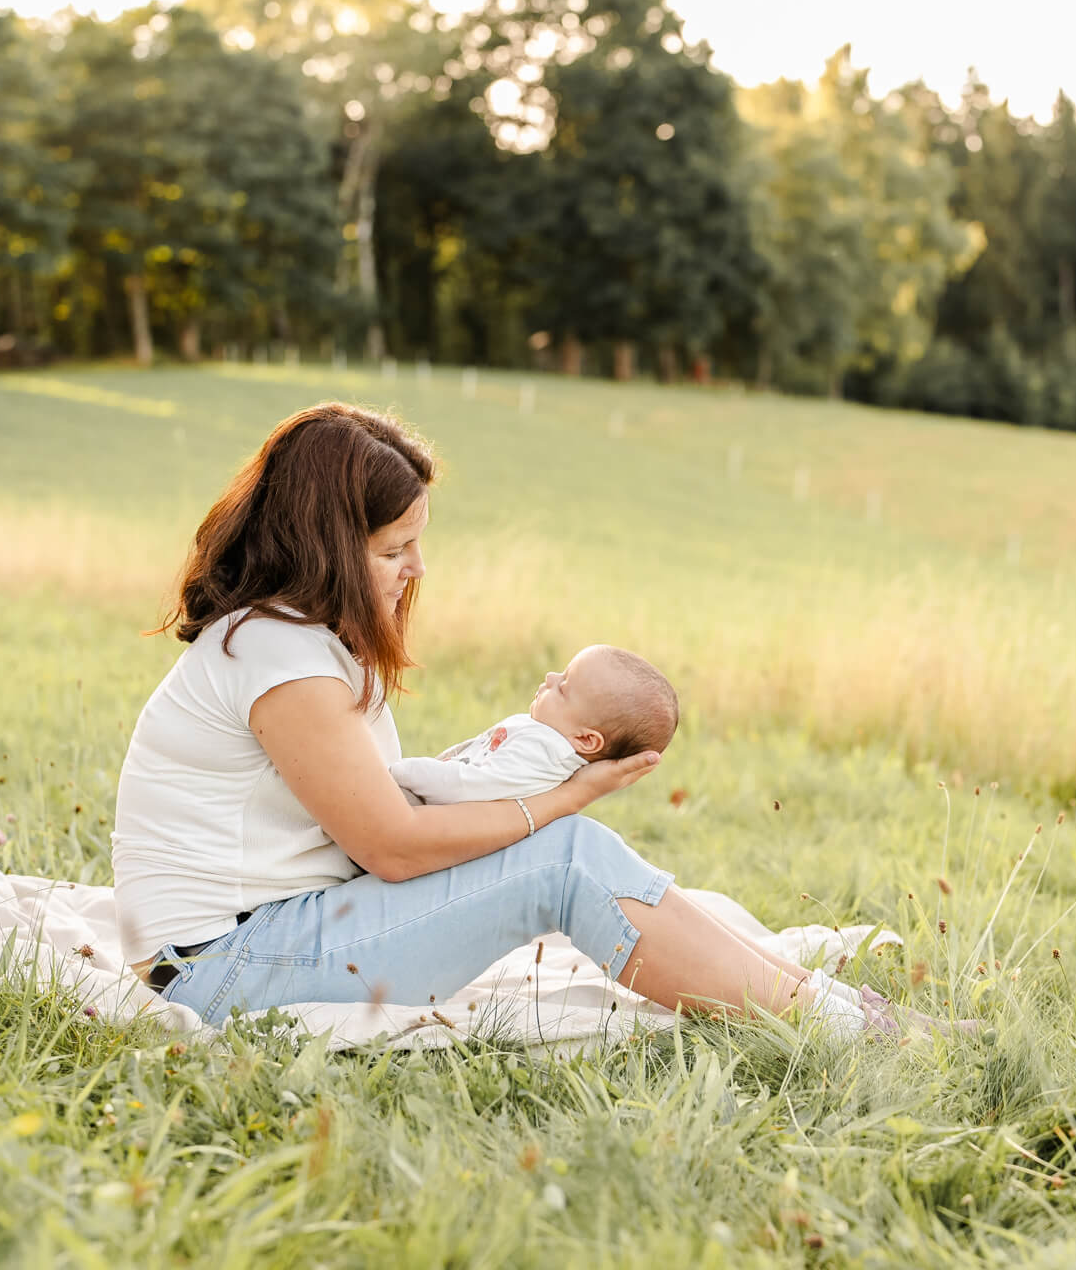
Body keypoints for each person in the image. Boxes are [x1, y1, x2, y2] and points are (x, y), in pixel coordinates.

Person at [110, 402, 943, 1037]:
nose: (417, 569)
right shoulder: (276, 657)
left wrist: (514, 781)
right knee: (565, 858)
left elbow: (383, 816)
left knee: (571, 859)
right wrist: (564, 800)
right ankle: (845, 1028)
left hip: (271, 938)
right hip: (222, 970)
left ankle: (833, 1006)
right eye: (394, 550)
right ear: (325, 541)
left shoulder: (298, 643)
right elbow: (392, 846)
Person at [388, 645, 678, 806]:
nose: (550, 677)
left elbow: (468, 786)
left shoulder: (544, 754)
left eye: (563, 687)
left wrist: (399, 772)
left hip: (419, 808)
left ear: (586, 740)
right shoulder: (547, 741)